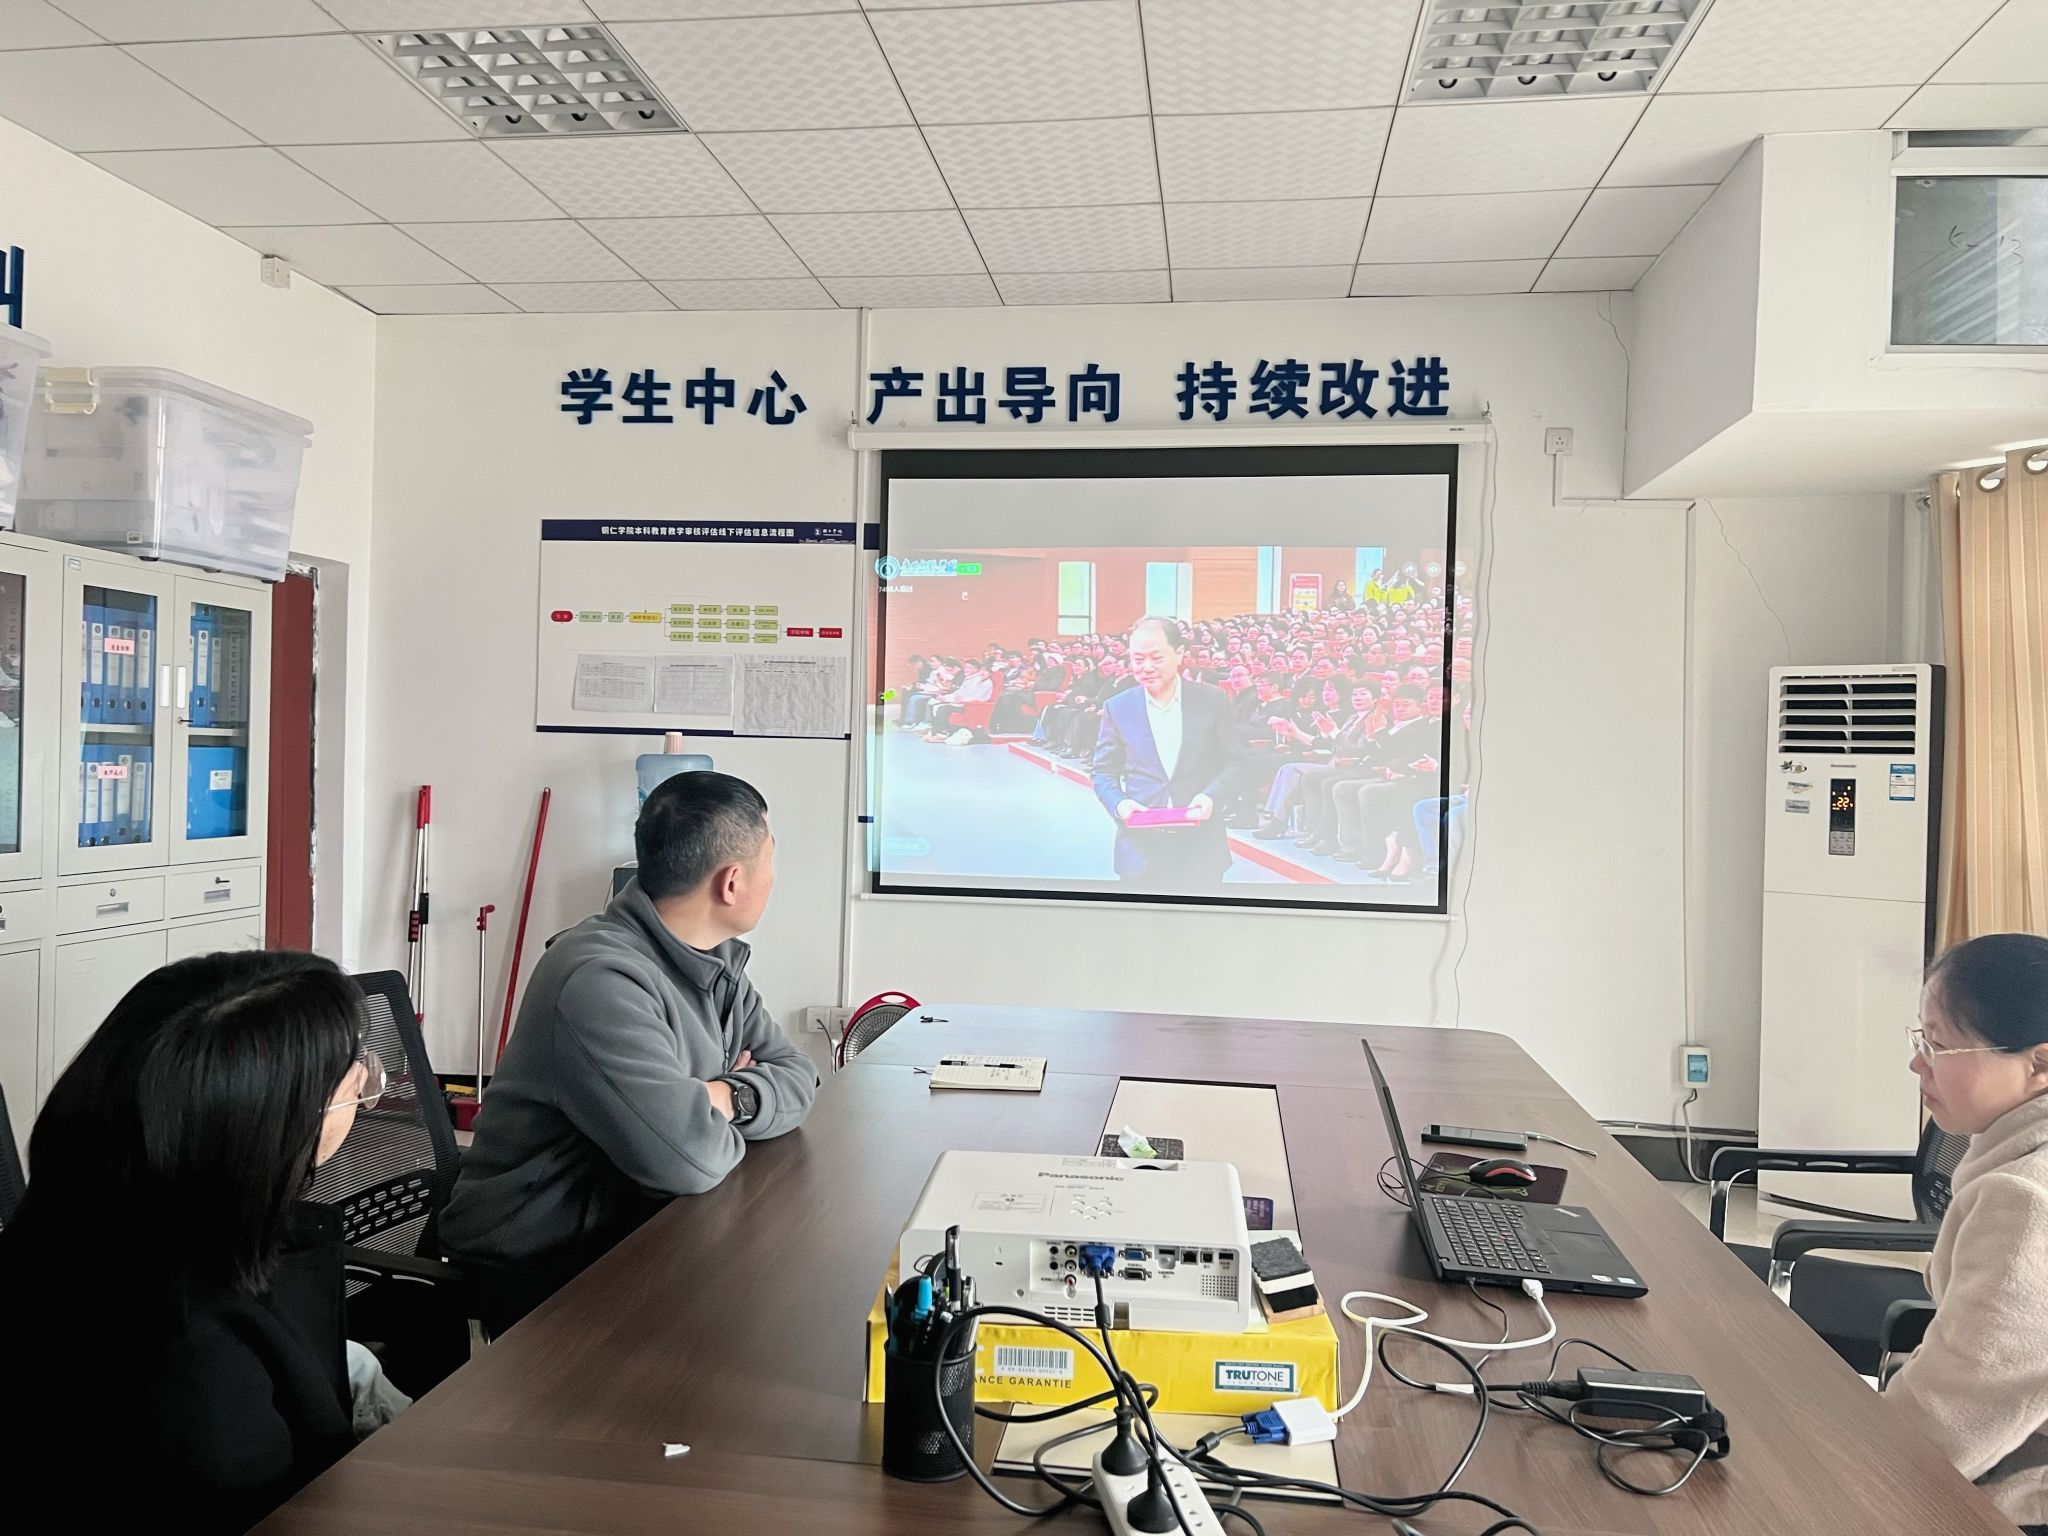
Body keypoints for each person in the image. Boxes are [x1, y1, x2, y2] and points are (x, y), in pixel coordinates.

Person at [0, 951, 399, 1534]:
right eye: (354, 1072)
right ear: (282, 1125)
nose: (365, 1081)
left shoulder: (89, 1217)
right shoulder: (196, 1381)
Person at [440, 771, 817, 1333]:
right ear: (733, 882)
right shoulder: (599, 979)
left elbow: (799, 1078)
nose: (773, 877)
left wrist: (718, 1098)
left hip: (636, 1233)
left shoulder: (717, 963)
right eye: (770, 860)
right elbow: (690, 1159)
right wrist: (709, 1108)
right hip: (544, 1267)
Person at [1885, 934, 2048, 1534]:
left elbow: (1940, 1432)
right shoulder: (2012, 1153)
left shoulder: (2026, 1205)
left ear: (2040, 1063)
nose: (1918, 1063)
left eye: (1939, 1045)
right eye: (1921, 1039)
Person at [1090, 615, 1241, 889]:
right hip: (1141, 849)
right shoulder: (1118, 707)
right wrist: (1120, 805)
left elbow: (1236, 762)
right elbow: (1102, 772)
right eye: (1137, 659)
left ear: (1179, 653)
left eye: (1156, 658)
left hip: (1201, 847)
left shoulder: (1212, 700)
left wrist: (1211, 797)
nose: (1146, 667)